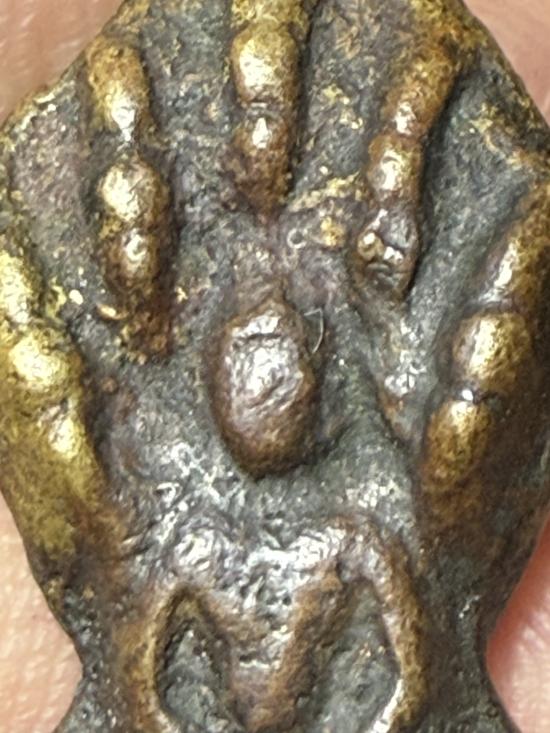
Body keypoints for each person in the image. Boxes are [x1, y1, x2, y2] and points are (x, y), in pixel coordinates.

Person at [0, 1, 548, 731]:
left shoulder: (355, 538)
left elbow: (411, 675)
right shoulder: (193, 546)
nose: (264, 388)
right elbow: (140, 674)